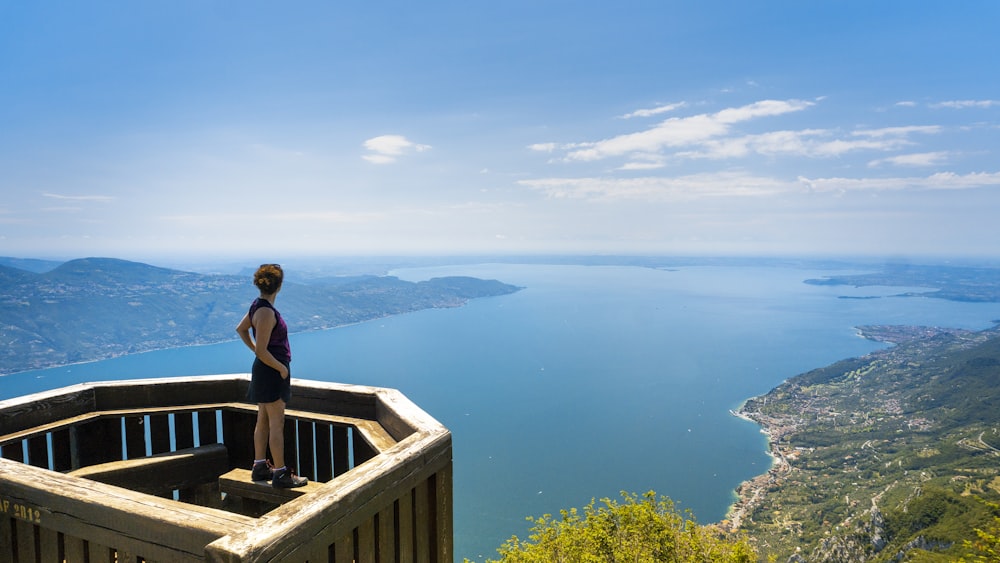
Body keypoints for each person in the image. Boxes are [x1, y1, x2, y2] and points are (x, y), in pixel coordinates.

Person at [235, 263, 307, 488]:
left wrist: (257, 350)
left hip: (264, 369)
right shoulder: (266, 312)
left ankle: (259, 467)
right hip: (271, 371)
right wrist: (281, 368)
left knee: (263, 420)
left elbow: (241, 329)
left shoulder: (257, 306)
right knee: (277, 423)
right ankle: (281, 474)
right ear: (279, 286)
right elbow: (261, 350)